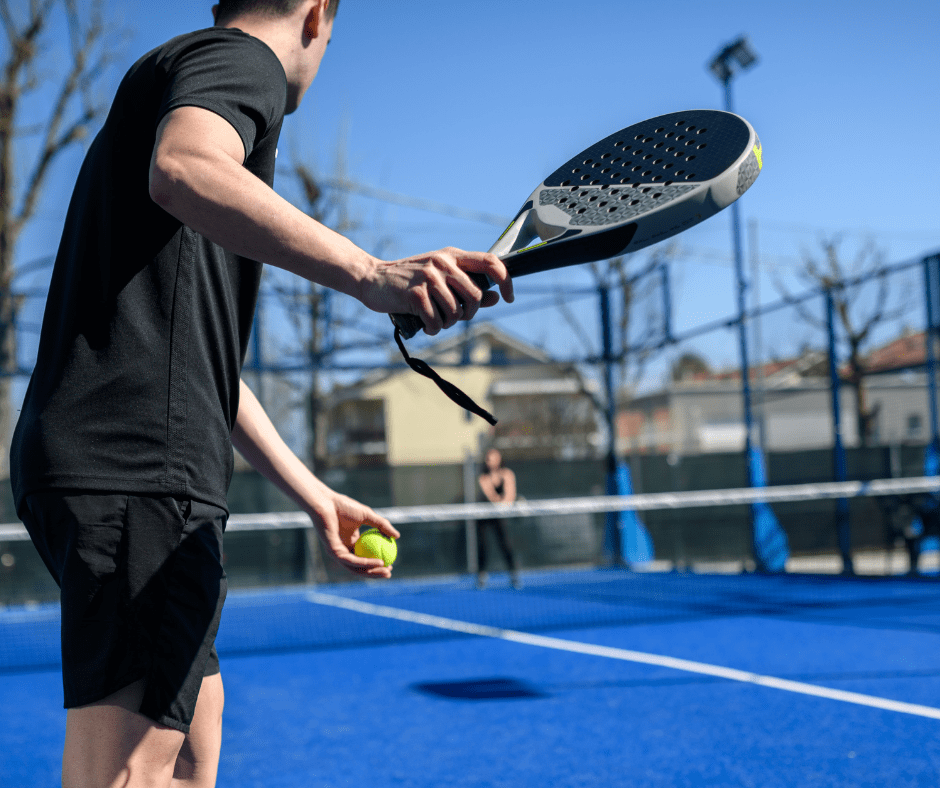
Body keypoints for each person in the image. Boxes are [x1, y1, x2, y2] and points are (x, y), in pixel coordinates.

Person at [8, 1, 513, 786]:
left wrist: (314, 495)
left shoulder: (175, 76)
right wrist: (372, 275)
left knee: (192, 744)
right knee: (127, 773)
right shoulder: (242, 63)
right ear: (317, 15)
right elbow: (184, 167)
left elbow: (203, 368)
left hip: (104, 458)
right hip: (138, 469)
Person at [476, 448, 520, 589]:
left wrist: (505, 504)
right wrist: (501, 502)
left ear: (499, 458)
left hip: (499, 516)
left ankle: (514, 574)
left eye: (493, 457)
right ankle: (481, 576)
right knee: (483, 546)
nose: (490, 461)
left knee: (505, 544)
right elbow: (492, 496)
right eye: (488, 458)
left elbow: (510, 495)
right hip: (483, 515)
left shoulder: (507, 474)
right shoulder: (483, 477)